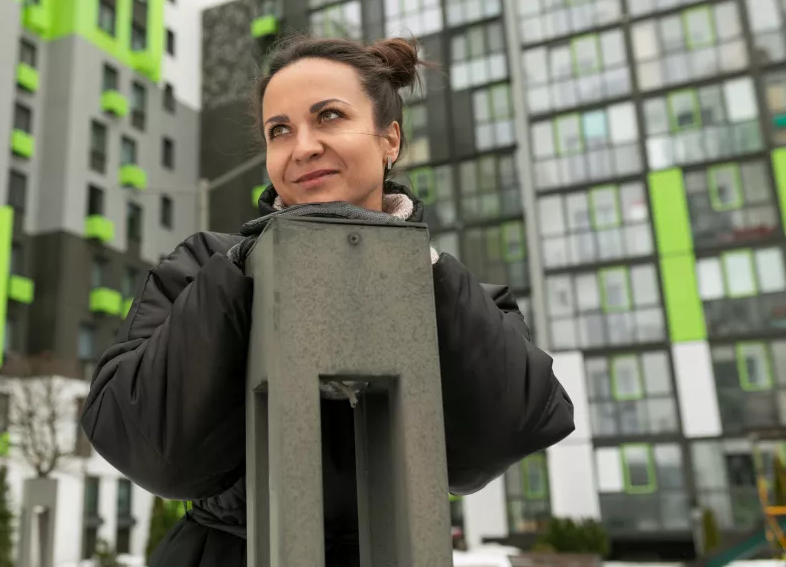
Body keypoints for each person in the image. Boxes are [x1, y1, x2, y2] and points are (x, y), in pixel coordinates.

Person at [81, 35, 575, 567]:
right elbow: (153, 454)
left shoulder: (461, 294)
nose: (303, 147)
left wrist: (419, 271)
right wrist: (246, 272)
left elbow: (502, 437)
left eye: (330, 117)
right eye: (280, 130)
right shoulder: (202, 268)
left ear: (390, 140)